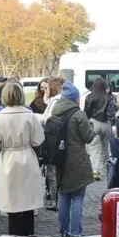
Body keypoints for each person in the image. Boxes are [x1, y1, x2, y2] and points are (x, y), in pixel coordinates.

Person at [0, 81, 44, 236]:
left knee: (12, 204)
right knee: (28, 203)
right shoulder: (30, 115)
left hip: (8, 160)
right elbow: (38, 139)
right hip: (27, 157)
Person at [51, 82, 95, 237]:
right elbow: (88, 137)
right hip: (77, 161)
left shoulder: (55, 112)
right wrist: (92, 126)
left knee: (63, 195)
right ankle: (76, 232)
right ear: (75, 98)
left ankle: (64, 230)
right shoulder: (78, 114)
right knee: (77, 197)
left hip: (60, 161)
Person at [84, 78, 115, 181]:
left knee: (94, 148)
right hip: (106, 124)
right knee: (105, 147)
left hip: (93, 123)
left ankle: (94, 171)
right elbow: (111, 114)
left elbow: (86, 112)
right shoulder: (109, 98)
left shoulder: (89, 97)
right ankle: (103, 169)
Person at [40, 77, 65, 210]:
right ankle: (56, 200)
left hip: (52, 142)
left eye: (47, 88)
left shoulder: (55, 102)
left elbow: (47, 120)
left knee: (52, 172)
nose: (44, 91)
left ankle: (56, 201)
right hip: (55, 141)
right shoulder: (56, 100)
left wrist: (35, 117)